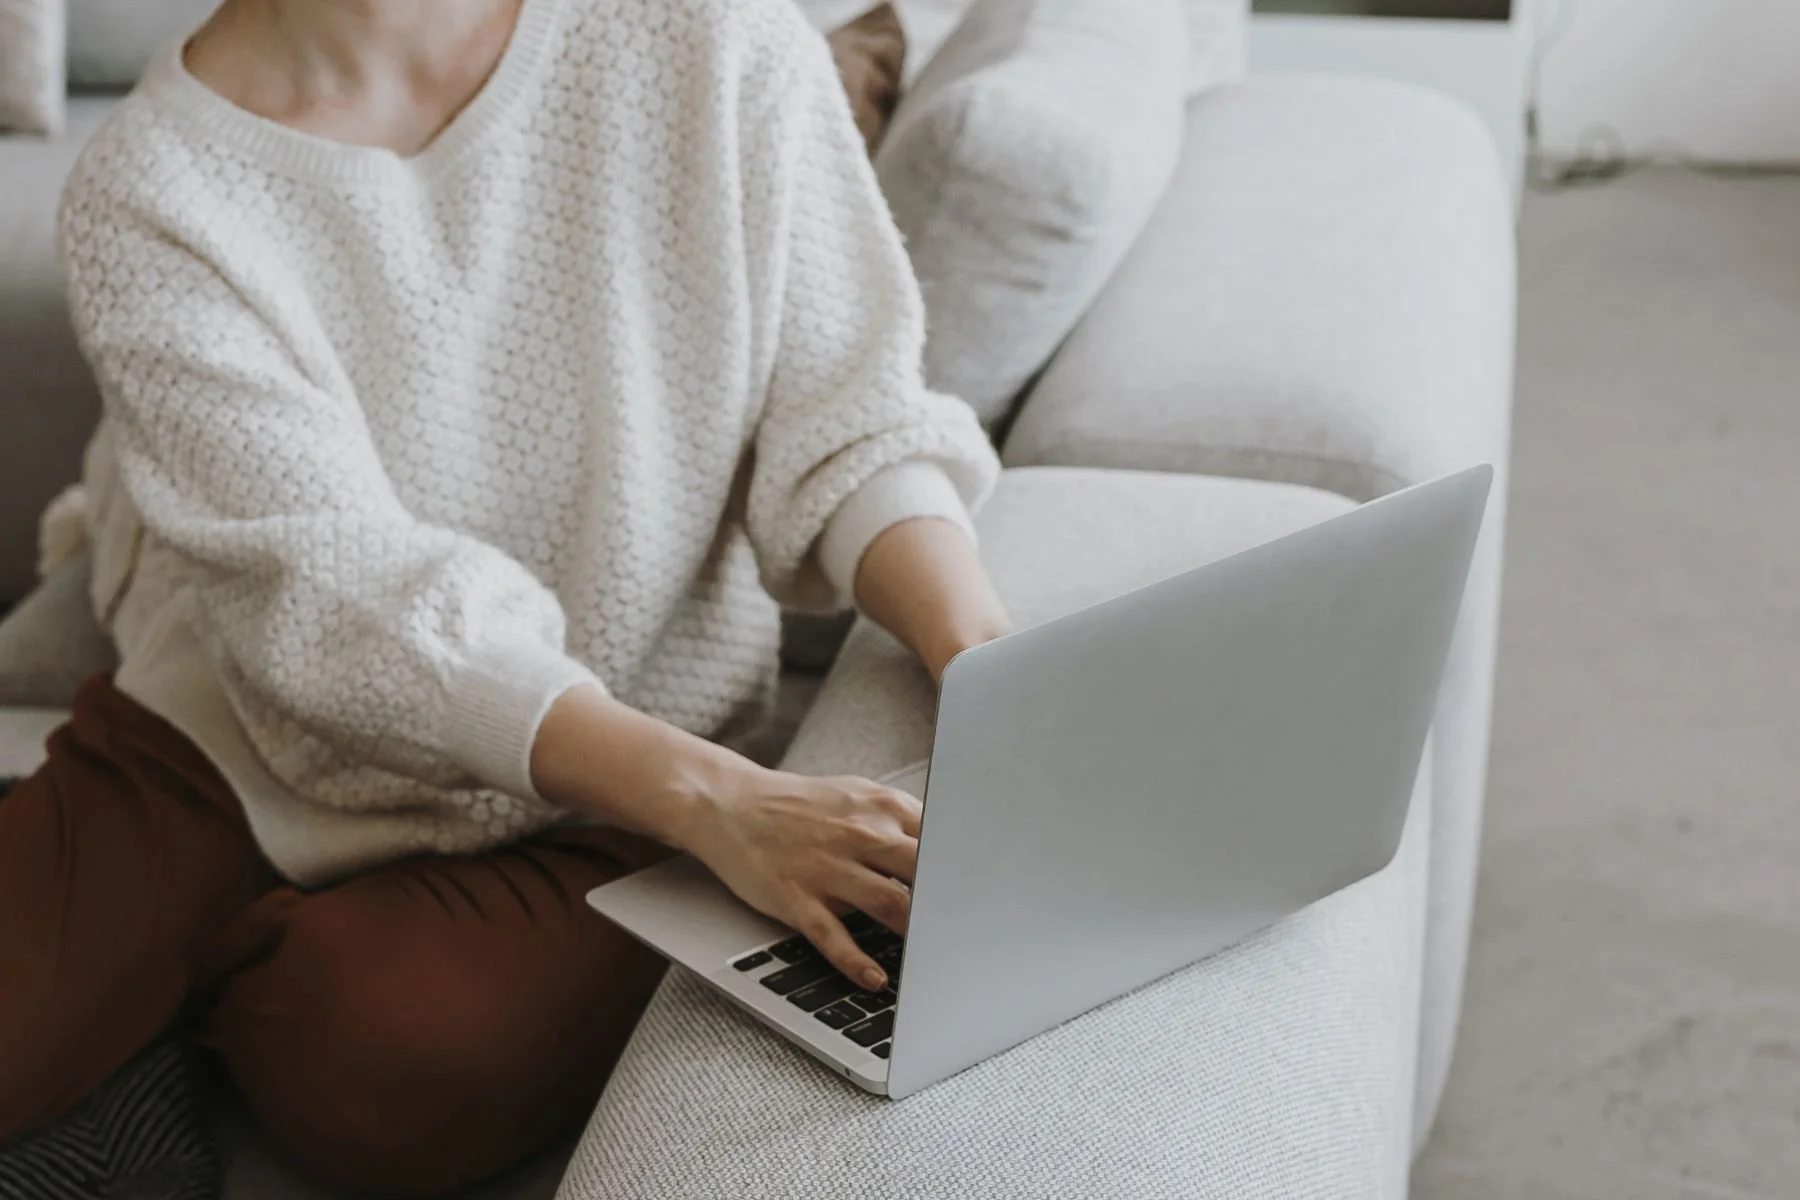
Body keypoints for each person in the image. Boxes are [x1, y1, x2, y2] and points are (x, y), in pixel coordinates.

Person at [0, 0, 1011, 1193]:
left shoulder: (719, 40)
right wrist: (722, 801)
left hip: (612, 770)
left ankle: (169, 1014)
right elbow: (334, 594)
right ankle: (148, 1023)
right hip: (233, 736)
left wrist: (983, 658)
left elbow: (855, 424)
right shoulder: (148, 184)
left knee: (369, 1067)